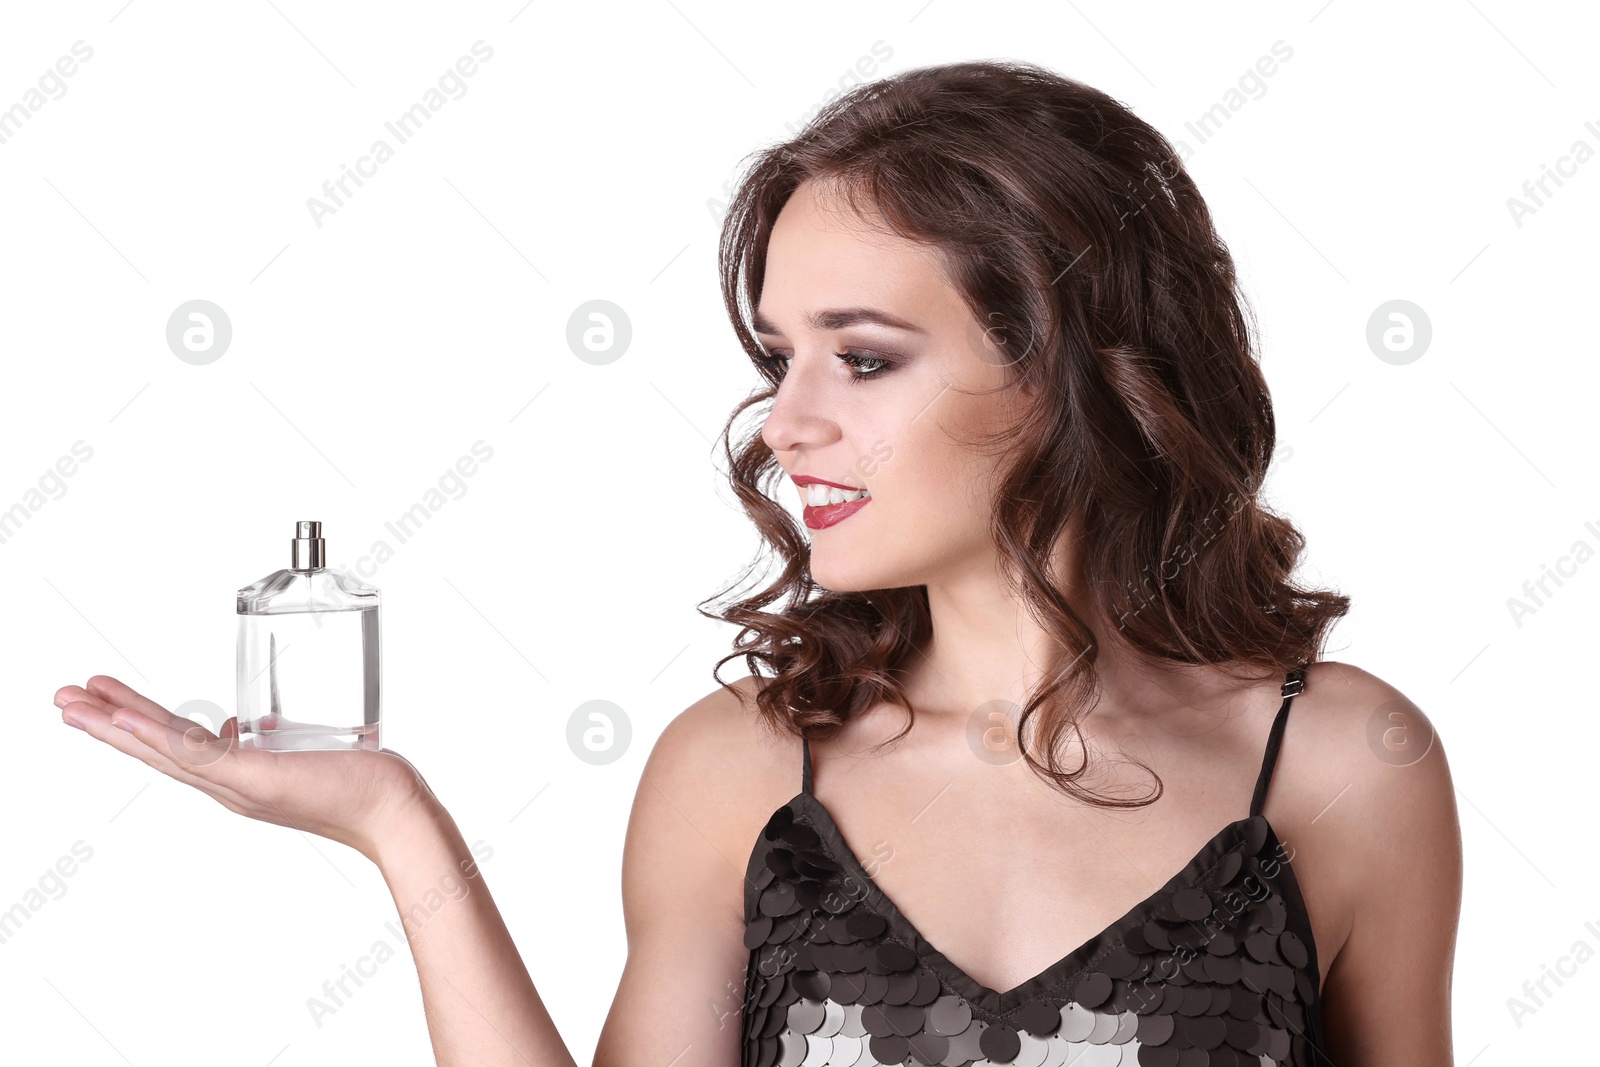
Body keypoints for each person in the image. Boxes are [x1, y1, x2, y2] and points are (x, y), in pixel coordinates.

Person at [55, 60, 1461, 1067]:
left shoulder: (1345, 766)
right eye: (779, 357)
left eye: (863, 356)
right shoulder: (738, 771)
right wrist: (395, 827)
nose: (788, 423)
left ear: (1069, 369)